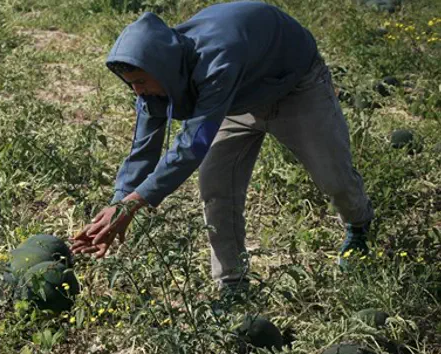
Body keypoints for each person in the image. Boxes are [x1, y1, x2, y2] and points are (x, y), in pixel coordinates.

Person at [70, 1, 374, 291]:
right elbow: (143, 149)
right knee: (216, 187)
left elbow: (192, 145)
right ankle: (232, 283)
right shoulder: (158, 75)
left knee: (332, 176)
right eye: (130, 83)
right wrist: (120, 202)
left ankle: (358, 225)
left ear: (161, 68)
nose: (136, 90)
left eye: (140, 81)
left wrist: (135, 203)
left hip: (294, 86)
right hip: (235, 99)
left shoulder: (216, 60)